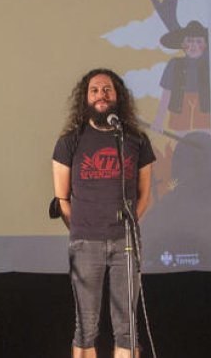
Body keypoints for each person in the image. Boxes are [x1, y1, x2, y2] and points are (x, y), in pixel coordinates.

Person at [52, 68, 155, 358]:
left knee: (127, 328)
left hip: (126, 242)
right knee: (85, 327)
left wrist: (128, 226)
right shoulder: (70, 141)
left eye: (107, 89)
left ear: (117, 96)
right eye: (95, 90)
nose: (101, 95)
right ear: (85, 98)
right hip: (86, 242)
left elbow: (144, 194)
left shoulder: (136, 140)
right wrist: (84, 227)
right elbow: (61, 198)